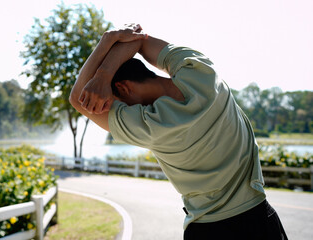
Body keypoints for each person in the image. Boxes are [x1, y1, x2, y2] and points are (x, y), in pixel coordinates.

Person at [69, 24, 288, 240]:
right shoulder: (203, 74)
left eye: (114, 102)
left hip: (208, 231)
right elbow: (139, 39)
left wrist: (104, 52)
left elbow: (76, 98)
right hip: (260, 219)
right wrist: (107, 63)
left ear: (124, 89)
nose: (118, 108)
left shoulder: (149, 126)